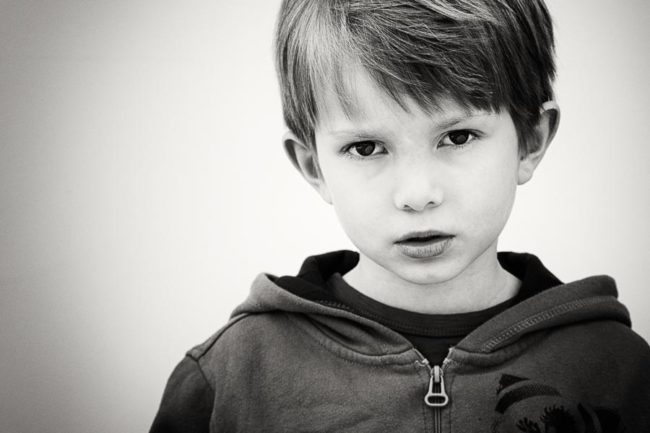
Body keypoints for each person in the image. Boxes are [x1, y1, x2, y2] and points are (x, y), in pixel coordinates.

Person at [150, 0, 650, 431]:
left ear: (531, 140)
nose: (416, 194)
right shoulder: (233, 377)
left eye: (457, 137)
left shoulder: (619, 370)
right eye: (366, 147)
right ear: (313, 166)